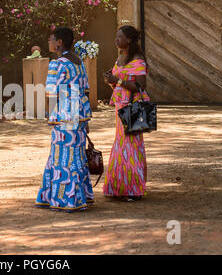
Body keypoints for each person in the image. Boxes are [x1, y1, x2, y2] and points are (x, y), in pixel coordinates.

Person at [35, 26, 94, 212]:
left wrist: (50, 116)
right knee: (76, 155)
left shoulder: (58, 63)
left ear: (59, 42)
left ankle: (65, 199)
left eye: (51, 39)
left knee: (62, 157)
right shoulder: (78, 62)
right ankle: (81, 196)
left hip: (64, 114)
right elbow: (86, 89)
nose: (49, 42)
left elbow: (51, 92)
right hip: (79, 113)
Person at [103, 25, 150, 202]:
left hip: (133, 107)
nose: (116, 39)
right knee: (122, 145)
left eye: (120, 37)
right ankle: (120, 187)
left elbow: (140, 86)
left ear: (129, 40)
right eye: (116, 36)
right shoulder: (121, 58)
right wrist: (111, 81)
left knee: (130, 145)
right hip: (120, 105)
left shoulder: (137, 60)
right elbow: (119, 82)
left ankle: (132, 188)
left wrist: (118, 80)